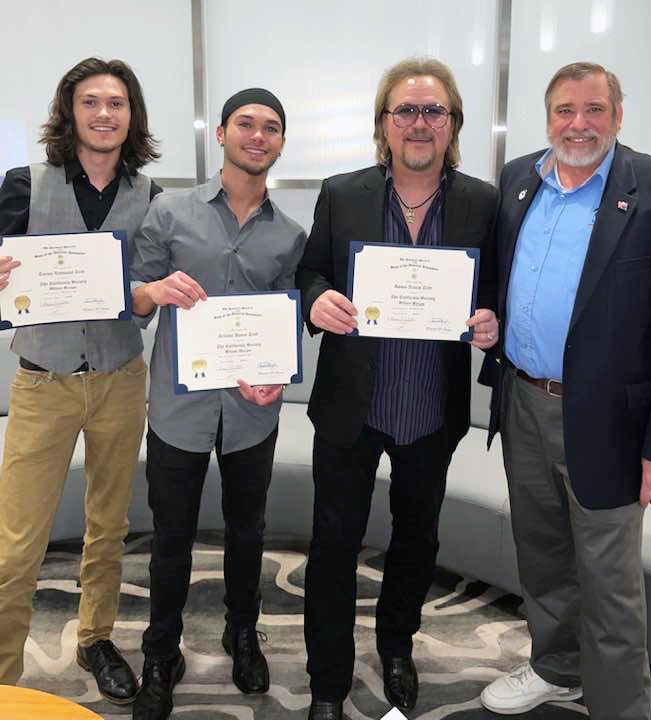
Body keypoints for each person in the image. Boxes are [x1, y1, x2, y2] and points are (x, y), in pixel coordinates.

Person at [479, 62, 651, 720]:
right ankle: (556, 668)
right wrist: (491, 319)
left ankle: (620, 706)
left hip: (612, 421)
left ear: (618, 115)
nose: (578, 124)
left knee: (610, 584)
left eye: (593, 110)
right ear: (547, 116)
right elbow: (507, 279)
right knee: (543, 555)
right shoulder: (518, 180)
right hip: (523, 402)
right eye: (564, 110)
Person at [296, 57, 499, 720]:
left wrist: (491, 318)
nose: (419, 123)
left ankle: (397, 648)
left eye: (433, 111)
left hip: (430, 409)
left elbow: (496, 287)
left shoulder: (482, 202)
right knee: (333, 546)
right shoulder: (341, 193)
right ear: (384, 123)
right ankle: (328, 683)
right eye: (405, 110)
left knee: (417, 540)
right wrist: (317, 298)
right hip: (350, 410)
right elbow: (310, 272)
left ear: (453, 124)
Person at [130, 88, 307, 720]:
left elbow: (285, 317)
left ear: (280, 142)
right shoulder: (170, 211)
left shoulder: (290, 234)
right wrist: (155, 289)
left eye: (271, 127)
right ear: (223, 134)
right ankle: (161, 653)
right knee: (170, 537)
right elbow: (134, 296)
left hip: (251, 414)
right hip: (178, 408)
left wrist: (276, 376)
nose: (258, 136)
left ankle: (242, 631)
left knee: (247, 530)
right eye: (246, 124)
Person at [0, 57, 161, 704]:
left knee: (109, 526)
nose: (103, 113)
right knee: (15, 546)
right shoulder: (23, 184)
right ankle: (4, 678)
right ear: (69, 111)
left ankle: (96, 638)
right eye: (90, 101)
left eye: (116, 103)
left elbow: (144, 290)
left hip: (120, 379)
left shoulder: (152, 196)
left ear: (131, 115)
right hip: (44, 384)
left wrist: (149, 294)